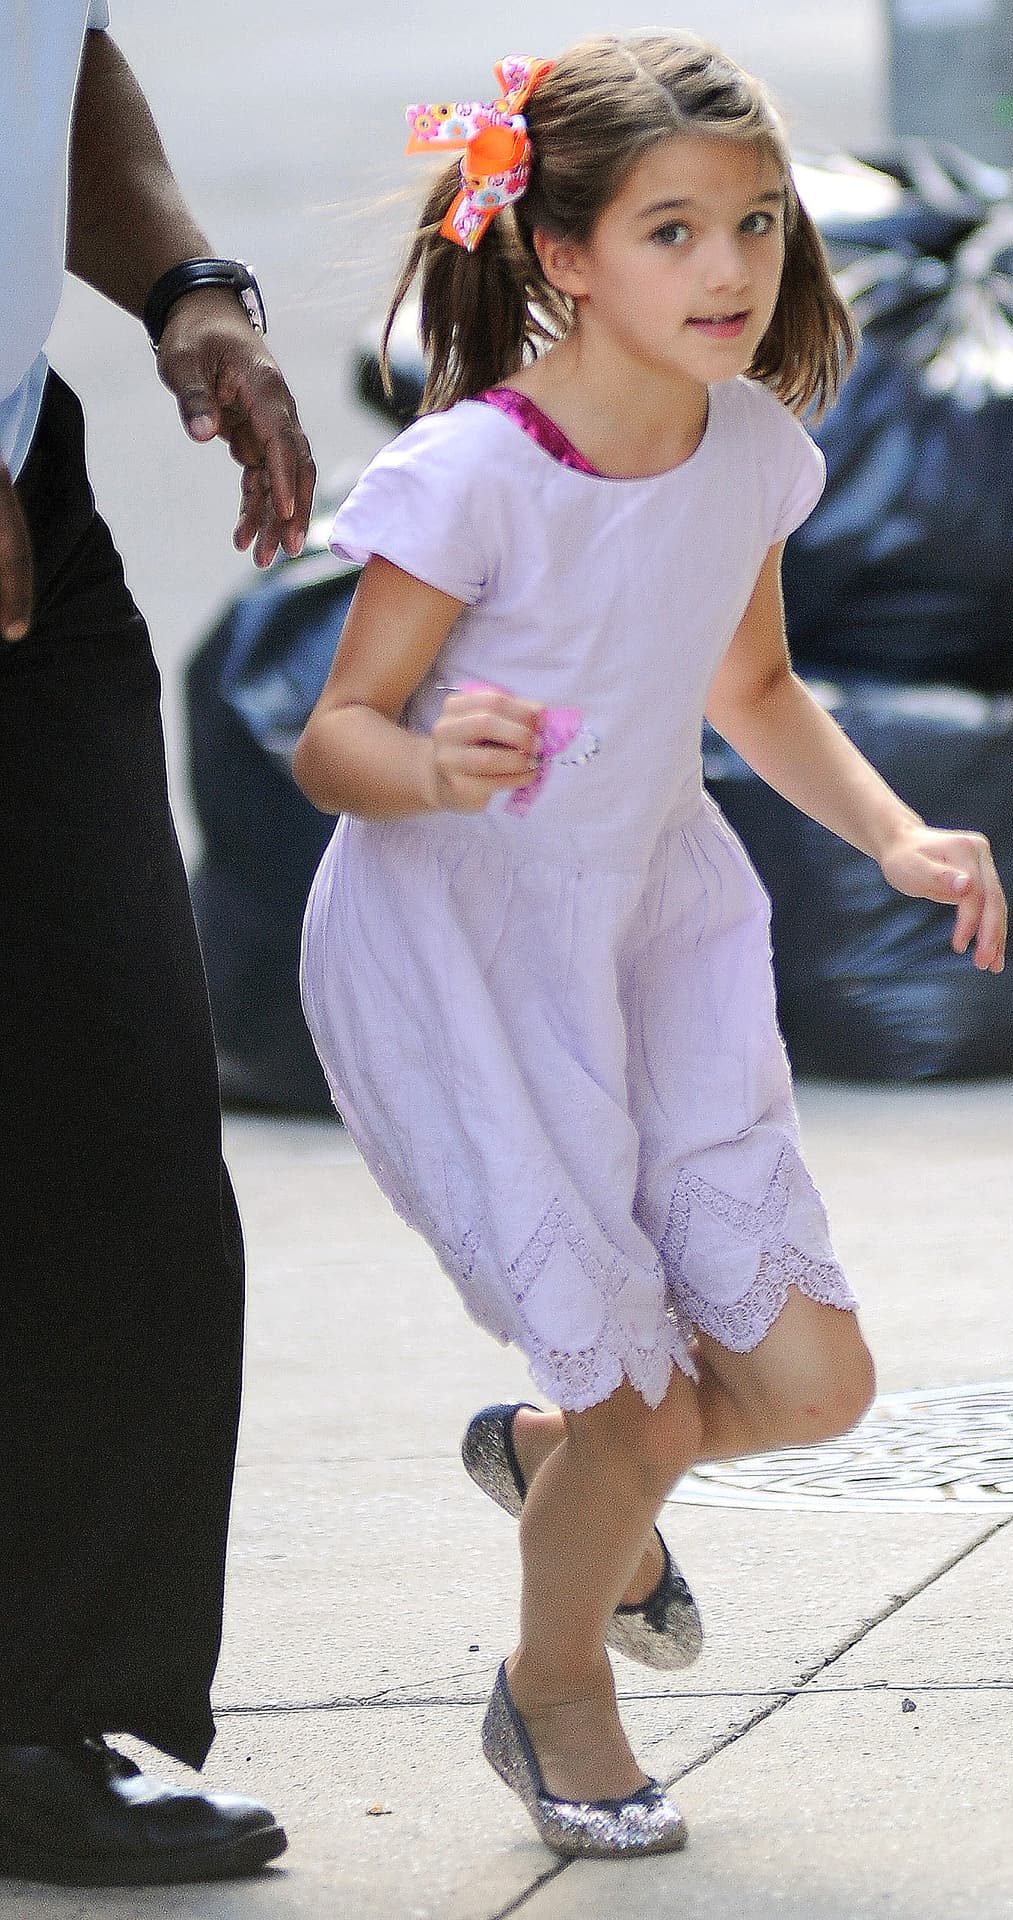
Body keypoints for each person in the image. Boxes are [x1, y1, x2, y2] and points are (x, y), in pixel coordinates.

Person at [293, 31, 1006, 1861]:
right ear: (564, 254)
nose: (730, 267)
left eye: (756, 222)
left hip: (655, 925)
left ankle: (563, 1468)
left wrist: (894, 831)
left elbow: (751, 684)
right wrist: (429, 765)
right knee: (640, 1399)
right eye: (672, 230)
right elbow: (333, 738)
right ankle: (555, 1694)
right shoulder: (473, 476)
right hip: (461, 951)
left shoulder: (750, 443)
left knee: (806, 1387)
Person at [0, 3, 315, 1888]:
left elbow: (52, 52)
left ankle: (34, 1717)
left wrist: (184, 283)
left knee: (111, 1121)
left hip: (22, 497)